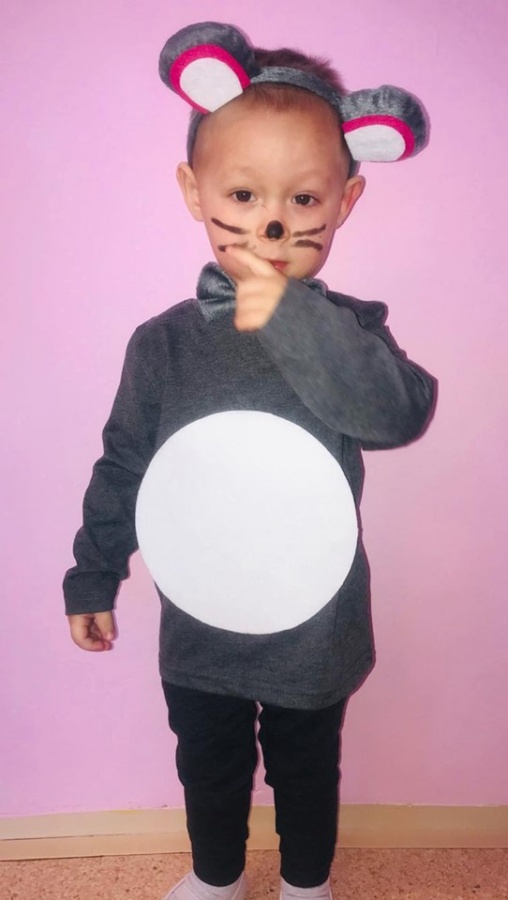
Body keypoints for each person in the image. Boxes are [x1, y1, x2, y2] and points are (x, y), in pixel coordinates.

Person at [64, 22, 436, 900]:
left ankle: (307, 884)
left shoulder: (352, 332)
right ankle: (217, 877)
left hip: (316, 619)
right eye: (243, 192)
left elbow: (399, 414)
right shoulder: (162, 345)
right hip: (202, 615)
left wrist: (296, 318)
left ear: (345, 202)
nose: (273, 223)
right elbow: (124, 463)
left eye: (303, 199)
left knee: (306, 765)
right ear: (194, 192)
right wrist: (93, 574)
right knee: (208, 759)